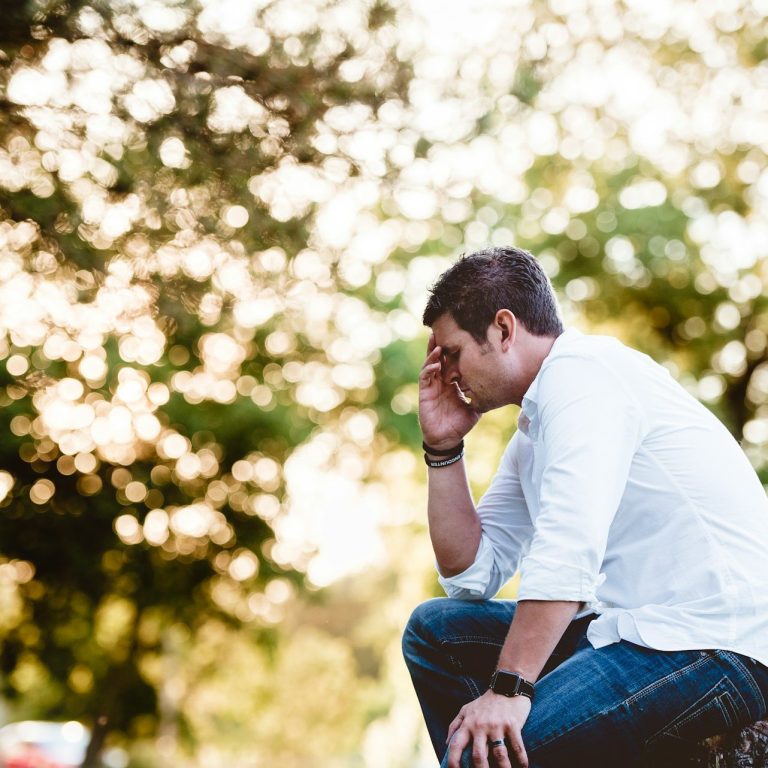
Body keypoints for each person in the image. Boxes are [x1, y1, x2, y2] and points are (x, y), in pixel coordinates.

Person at [402, 246, 768, 768]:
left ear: (504, 329)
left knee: (476, 758)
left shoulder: (585, 378)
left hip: (711, 645)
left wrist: (508, 691)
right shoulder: (537, 425)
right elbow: (471, 575)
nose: (448, 374)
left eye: (454, 352)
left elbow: (568, 548)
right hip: (632, 631)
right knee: (437, 631)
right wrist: (442, 449)